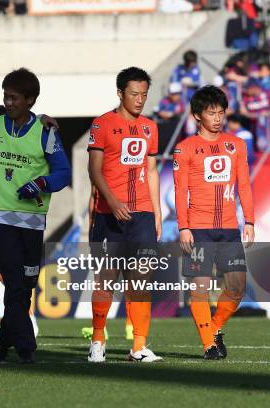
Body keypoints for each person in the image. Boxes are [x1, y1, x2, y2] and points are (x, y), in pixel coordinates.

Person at [0, 68, 71, 363]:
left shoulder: (45, 131)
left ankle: (3, 341)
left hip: (32, 221)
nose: (8, 102)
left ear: (31, 100)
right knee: (16, 282)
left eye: (15, 98)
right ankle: (26, 348)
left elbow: (63, 173)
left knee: (26, 285)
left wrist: (41, 183)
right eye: (5, 96)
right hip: (0, 218)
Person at [173, 85, 255, 359]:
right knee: (200, 288)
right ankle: (209, 345)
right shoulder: (185, 149)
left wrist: (250, 221)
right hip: (199, 229)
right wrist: (183, 227)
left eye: (221, 112)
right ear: (197, 115)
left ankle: (215, 328)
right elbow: (179, 192)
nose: (218, 118)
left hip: (230, 229)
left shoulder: (237, 145)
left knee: (236, 287)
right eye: (212, 113)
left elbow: (244, 185)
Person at [87, 66, 163, 363]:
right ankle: (97, 340)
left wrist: (156, 212)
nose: (140, 99)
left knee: (141, 278)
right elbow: (94, 170)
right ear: (120, 93)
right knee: (106, 278)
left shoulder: (150, 127)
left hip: (142, 213)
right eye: (134, 94)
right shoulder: (102, 124)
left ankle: (138, 346)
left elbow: (152, 170)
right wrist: (112, 200)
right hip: (109, 214)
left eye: (144, 94)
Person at [240, 78, 270, 153]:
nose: (247, 90)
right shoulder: (246, 96)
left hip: (267, 125)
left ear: (254, 87)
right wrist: (249, 114)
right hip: (252, 124)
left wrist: (268, 112)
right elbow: (242, 111)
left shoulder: (267, 93)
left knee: (266, 145)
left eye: (248, 88)